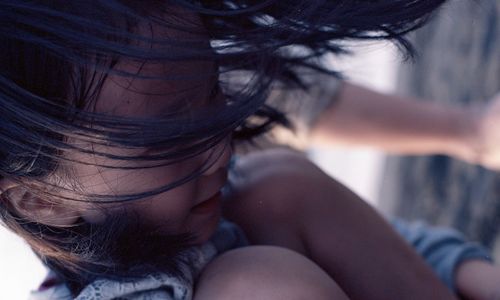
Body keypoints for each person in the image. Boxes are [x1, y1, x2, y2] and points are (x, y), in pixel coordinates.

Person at [0, 1, 497, 300]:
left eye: (214, 94)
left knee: (280, 183)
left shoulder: (230, 200)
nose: (218, 152)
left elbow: (388, 244)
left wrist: (467, 272)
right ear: (42, 201)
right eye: (167, 141)